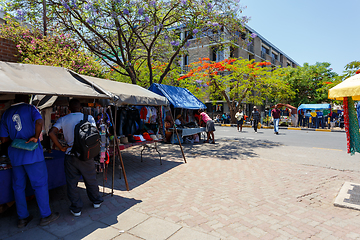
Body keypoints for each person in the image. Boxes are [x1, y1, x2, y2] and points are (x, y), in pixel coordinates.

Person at [0, 95, 59, 228]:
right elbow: (39, 122)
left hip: (15, 156)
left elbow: (3, 140)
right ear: (27, 99)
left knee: (18, 187)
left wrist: (17, 140)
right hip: (33, 155)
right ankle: (46, 215)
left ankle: (22, 218)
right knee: (39, 185)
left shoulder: (6, 114)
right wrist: (35, 136)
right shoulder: (31, 108)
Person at [49, 98, 103, 217]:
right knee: (90, 179)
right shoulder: (88, 118)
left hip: (70, 155)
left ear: (69, 108)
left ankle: (76, 208)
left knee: (72, 182)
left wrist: (61, 147)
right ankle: (96, 201)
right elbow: (94, 133)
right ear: (80, 108)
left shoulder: (63, 119)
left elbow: (51, 133)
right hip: (86, 155)